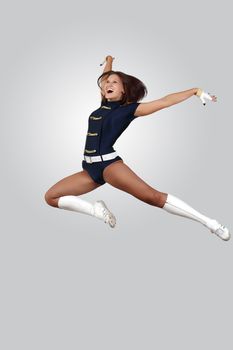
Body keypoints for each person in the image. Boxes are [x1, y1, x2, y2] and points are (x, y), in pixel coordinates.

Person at [44, 55, 230, 241]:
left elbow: (165, 101)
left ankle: (210, 223)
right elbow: (105, 78)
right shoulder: (103, 104)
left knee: (153, 198)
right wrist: (109, 60)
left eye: (114, 83)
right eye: (106, 83)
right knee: (51, 197)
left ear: (124, 90)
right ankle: (97, 211)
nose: (108, 84)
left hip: (110, 166)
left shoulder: (129, 110)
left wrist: (195, 91)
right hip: (90, 169)